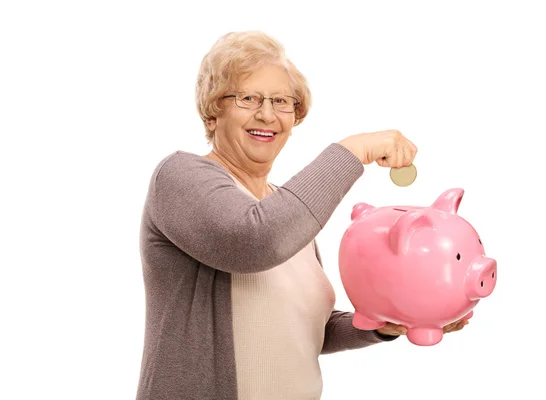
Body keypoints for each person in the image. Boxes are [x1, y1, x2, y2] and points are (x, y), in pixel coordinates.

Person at [136, 31, 468, 400]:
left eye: (281, 101)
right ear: (214, 111)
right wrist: (351, 151)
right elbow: (254, 241)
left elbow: (309, 330)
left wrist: (386, 324)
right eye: (247, 98)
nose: (267, 114)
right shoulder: (180, 177)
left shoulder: (288, 211)